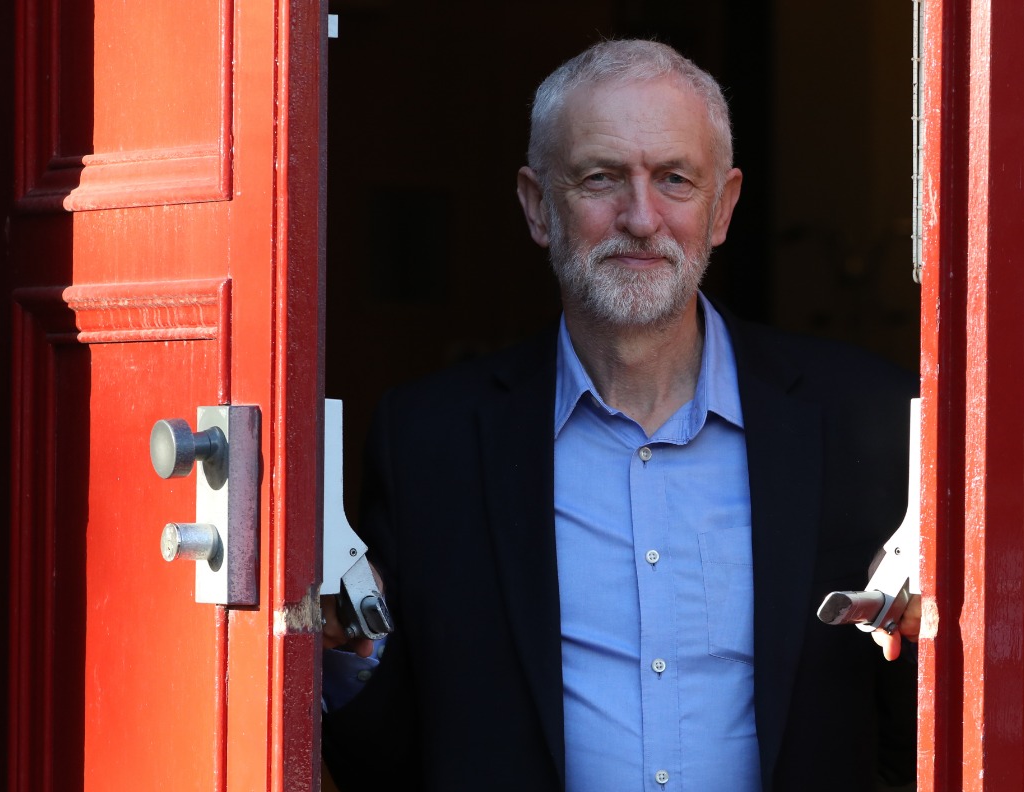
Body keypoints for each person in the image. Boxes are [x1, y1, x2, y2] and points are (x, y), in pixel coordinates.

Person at [322, 39, 919, 792]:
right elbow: (388, 760)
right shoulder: (429, 441)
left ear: (722, 207)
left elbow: (921, 739)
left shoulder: (870, 421)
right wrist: (346, 650)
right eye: (601, 178)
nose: (641, 218)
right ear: (538, 206)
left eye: (675, 179)